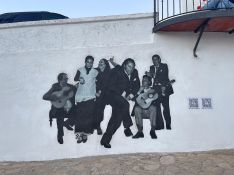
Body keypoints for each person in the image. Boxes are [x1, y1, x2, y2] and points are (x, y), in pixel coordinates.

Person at [100, 58, 140, 148]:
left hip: (122, 100)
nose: (131, 69)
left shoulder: (135, 72)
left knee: (116, 120)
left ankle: (105, 141)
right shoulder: (117, 71)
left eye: (133, 67)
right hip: (112, 95)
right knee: (126, 104)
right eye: (129, 66)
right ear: (125, 65)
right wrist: (122, 94)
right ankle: (127, 127)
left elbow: (137, 85)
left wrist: (130, 95)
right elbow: (111, 86)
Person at [43, 73, 76, 144]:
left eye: (67, 79)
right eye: (65, 79)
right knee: (60, 114)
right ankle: (60, 135)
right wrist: (55, 97)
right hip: (58, 108)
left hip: (68, 107)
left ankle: (67, 123)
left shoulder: (71, 87)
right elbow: (45, 96)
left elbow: (76, 93)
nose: (67, 80)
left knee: (81, 111)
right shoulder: (55, 87)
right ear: (60, 80)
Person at [74, 55, 98, 143]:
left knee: (88, 116)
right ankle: (79, 135)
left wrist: (98, 90)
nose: (89, 64)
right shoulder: (80, 70)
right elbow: (75, 78)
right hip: (80, 96)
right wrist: (80, 78)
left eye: (91, 62)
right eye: (88, 62)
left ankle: (85, 134)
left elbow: (99, 81)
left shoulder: (95, 72)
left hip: (91, 96)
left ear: (92, 63)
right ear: (85, 62)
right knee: (80, 116)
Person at [147, 54, 174, 130]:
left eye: (155, 59)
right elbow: (151, 78)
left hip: (165, 89)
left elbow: (163, 77)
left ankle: (168, 125)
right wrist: (147, 76)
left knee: (166, 108)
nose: (154, 61)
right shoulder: (151, 67)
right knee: (157, 108)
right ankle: (160, 125)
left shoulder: (164, 66)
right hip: (156, 90)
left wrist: (152, 75)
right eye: (153, 60)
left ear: (159, 59)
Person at [132, 75, 158, 139]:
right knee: (137, 108)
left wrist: (149, 100)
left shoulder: (153, 90)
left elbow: (157, 98)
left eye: (145, 80)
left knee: (153, 108)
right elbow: (133, 99)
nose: (143, 81)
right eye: (143, 80)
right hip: (141, 112)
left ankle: (152, 131)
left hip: (150, 112)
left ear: (149, 82)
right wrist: (139, 91)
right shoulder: (139, 89)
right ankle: (140, 132)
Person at [93, 58, 111, 135]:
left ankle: (97, 125)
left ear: (106, 64)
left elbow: (107, 84)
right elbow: (91, 82)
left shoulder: (109, 72)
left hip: (104, 94)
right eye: (99, 62)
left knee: (100, 109)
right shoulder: (94, 71)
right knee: (96, 108)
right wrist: (95, 92)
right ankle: (96, 126)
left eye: (102, 62)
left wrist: (100, 91)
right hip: (94, 93)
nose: (100, 63)